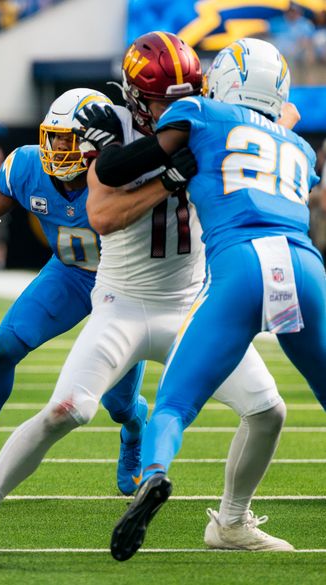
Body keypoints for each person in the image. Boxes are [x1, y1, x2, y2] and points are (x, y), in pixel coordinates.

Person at [0, 32, 291, 555]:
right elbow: (103, 216)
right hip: (121, 302)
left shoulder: (213, 118)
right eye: (160, 100)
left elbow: (279, 123)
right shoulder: (111, 128)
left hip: (191, 308)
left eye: (184, 95)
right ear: (133, 96)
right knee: (68, 409)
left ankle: (231, 522)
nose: (173, 109)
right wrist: (171, 177)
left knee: (269, 410)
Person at [100, 38, 324, 561]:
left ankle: (153, 474)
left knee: (175, 403)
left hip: (242, 264)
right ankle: (231, 521)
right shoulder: (301, 148)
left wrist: (109, 148)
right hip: (305, 267)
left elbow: (117, 171)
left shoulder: (199, 111)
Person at [0, 88, 147, 497]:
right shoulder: (28, 167)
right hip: (69, 275)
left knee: (120, 405)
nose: (56, 149)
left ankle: (136, 429)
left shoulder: (126, 174)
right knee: (5, 347)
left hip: (122, 284)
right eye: (53, 137)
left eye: (67, 140)